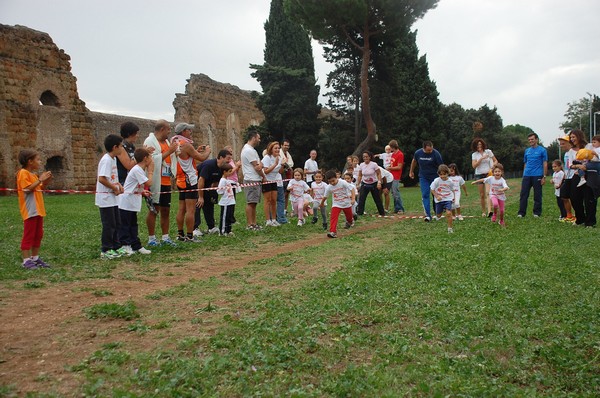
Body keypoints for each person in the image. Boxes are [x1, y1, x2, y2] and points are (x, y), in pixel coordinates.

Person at [172, 123, 210, 242]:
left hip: (180, 179)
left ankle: (180, 234)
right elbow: (202, 158)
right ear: (183, 131)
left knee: (181, 208)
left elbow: (185, 158)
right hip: (190, 179)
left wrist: (195, 151)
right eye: (189, 130)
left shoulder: (176, 143)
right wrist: (207, 151)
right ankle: (190, 235)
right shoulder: (186, 145)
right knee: (190, 209)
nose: (190, 132)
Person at [143, 120, 178, 247]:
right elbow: (151, 160)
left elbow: (170, 158)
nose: (170, 132)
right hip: (155, 181)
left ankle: (165, 237)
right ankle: (152, 238)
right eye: (168, 129)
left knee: (165, 210)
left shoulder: (167, 142)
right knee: (154, 209)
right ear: (162, 129)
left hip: (166, 181)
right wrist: (170, 151)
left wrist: (174, 152)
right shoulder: (150, 141)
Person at [16, 149, 53, 269]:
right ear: (29, 161)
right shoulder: (23, 173)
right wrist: (40, 180)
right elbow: (27, 189)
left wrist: (45, 181)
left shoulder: (33, 175)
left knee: (38, 234)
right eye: (38, 159)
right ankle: (26, 260)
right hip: (30, 210)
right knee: (29, 234)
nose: (40, 162)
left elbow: (39, 187)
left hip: (38, 209)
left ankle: (35, 258)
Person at [118, 148, 153, 255]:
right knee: (125, 225)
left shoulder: (139, 170)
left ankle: (136, 245)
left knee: (133, 225)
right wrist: (151, 171)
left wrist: (142, 192)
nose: (152, 160)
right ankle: (125, 246)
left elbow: (133, 186)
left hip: (132, 202)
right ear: (145, 158)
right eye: (150, 157)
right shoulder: (137, 169)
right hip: (126, 203)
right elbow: (149, 183)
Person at [96, 134, 126, 259]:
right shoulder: (106, 160)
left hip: (113, 198)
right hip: (105, 199)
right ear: (115, 147)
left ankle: (116, 246)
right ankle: (106, 249)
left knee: (117, 223)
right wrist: (114, 188)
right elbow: (102, 178)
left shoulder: (113, 159)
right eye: (121, 146)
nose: (122, 148)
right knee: (109, 225)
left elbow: (112, 177)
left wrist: (118, 185)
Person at [197, 149, 232, 234]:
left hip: (208, 187)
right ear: (220, 157)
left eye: (230, 159)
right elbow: (201, 180)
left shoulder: (222, 168)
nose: (229, 161)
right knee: (198, 204)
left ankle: (211, 227)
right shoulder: (209, 165)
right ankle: (195, 228)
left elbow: (217, 180)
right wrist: (200, 197)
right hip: (197, 185)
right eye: (227, 158)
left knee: (209, 205)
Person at [409, 141, 443, 221]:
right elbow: (414, 161)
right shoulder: (418, 153)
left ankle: (437, 213)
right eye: (428, 150)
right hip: (423, 177)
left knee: (435, 195)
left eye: (431, 149)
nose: (430, 151)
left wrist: (443, 177)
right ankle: (428, 215)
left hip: (435, 178)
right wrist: (411, 171)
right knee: (425, 194)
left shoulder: (436, 154)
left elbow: (441, 166)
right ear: (423, 148)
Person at [517, 132, 548, 218]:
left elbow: (545, 163)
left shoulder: (542, 150)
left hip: (537, 175)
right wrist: (524, 174)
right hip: (527, 175)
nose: (530, 141)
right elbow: (525, 163)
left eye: (532, 139)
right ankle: (521, 213)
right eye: (529, 140)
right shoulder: (527, 151)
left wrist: (544, 176)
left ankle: (536, 213)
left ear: (536, 139)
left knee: (537, 195)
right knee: (523, 194)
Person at [241, 130, 266, 231]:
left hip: (255, 179)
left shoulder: (251, 150)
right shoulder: (248, 150)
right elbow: (257, 167)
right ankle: (250, 224)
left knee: (254, 203)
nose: (259, 140)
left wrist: (261, 165)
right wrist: (263, 176)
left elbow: (259, 165)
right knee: (250, 202)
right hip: (251, 179)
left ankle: (254, 223)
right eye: (258, 138)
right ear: (254, 138)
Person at [321, 169, 356, 238]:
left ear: (336, 177)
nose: (332, 183)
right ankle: (333, 232)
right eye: (330, 182)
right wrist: (321, 203)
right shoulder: (329, 187)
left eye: (333, 181)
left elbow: (352, 189)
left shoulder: (343, 182)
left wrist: (353, 198)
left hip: (346, 203)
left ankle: (350, 221)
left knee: (349, 218)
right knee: (333, 217)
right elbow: (325, 196)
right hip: (337, 204)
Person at [471, 138, 497, 217]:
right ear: (475, 146)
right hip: (479, 174)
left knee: (488, 193)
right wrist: (481, 158)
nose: (479, 146)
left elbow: (496, 160)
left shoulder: (488, 151)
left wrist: (493, 167)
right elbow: (474, 166)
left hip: (488, 174)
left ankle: (490, 211)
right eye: (477, 145)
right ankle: (483, 211)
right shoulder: (474, 154)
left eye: (480, 144)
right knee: (482, 195)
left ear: (483, 144)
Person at [356, 151, 385, 216]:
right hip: (365, 183)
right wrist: (358, 184)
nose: (365, 158)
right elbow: (360, 175)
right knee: (361, 198)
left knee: (377, 199)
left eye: (366, 156)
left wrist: (379, 182)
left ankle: (382, 213)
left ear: (369, 157)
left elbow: (378, 173)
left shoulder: (374, 164)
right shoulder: (361, 165)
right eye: (364, 157)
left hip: (374, 183)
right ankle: (360, 213)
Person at [261, 142, 283, 227]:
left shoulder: (279, 158)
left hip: (274, 180)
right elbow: (265, 171)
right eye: (275, 148)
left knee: (274, 200)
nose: (277, 150)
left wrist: (282, 165)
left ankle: (274, 220)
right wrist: (274, 164)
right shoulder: (267, 158)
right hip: (266, 180)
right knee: (268, 200)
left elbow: (280, 171)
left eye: (278, 148)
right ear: (271, 149)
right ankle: (268, 220)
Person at [430, 164, 455, 233]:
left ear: (447, 173)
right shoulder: (436, 181)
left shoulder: (450, 182)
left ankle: (450, 228)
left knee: (449, 213)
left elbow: (452, 190)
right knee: (439, 214)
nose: (442, 176)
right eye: (440, 174)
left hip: (448, 198)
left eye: (444, 174)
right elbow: (432, 189)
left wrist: (454, 197)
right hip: (439, 200)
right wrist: (437, 196)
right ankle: (438, 216)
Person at [558, 135, 576, 222]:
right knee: (564, 195)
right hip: (568, 177)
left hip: (574, 177)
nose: (561, 146)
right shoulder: (566, 154)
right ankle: (569, 215)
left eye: (563, 144)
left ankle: (576, 215)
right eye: (560, 144)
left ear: (569, 143)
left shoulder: (574, 152)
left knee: (574, 197)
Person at [216, 163, 236, 236]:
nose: (231, 173)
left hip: (230, 201)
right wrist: (224, 191)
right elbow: (219, 191)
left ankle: (228, 230)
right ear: (224, 172)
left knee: (229, 217)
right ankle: (222, 231)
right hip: (225, 202)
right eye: (230, 171)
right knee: (224, 217)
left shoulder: (227, 180)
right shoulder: (222, 180)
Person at [387, 140, 406, 214]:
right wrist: (389, 167)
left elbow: (399, 167)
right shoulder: (393, 154)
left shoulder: (400, 154)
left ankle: (400, 208)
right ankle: (396, 208)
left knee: (396, 192)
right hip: (391, 175)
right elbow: (392, 164)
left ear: (392, 147)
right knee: (393, 192)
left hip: (396, 176)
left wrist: (390, 168)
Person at [280, 139, 294, 215]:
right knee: (282, 193)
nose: (286, 147)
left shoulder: (288, 155)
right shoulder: (279, 153)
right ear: (281, 145)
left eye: (288, 145)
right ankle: (280, 209)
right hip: (282, 175)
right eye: (285, 145)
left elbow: (291, 164)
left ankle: (285, 209)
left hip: (288, 175)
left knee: (287, 193)